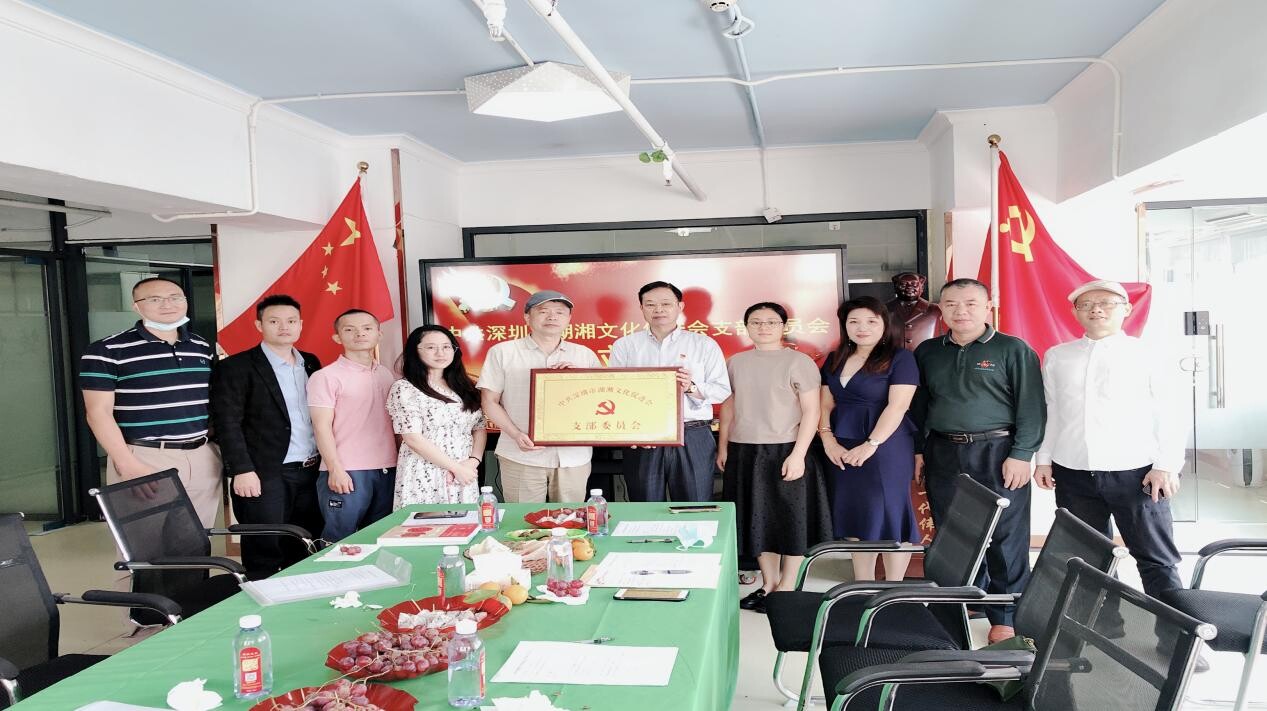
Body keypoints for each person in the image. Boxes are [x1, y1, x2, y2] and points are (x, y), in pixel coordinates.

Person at [1035, 280, 1186, 609]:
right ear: (1075, 312)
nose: (1096, 310)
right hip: (1073, 470)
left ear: (1126, 309)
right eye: (1086, 305)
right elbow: (1053, 410)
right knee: (1085, 558)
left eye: (1106, 303)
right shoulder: (1058, 356)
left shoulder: (1147, 354)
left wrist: (1166, 465)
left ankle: (1175, 633)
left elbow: (1172, 412)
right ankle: (1102, 627)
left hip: (1137, 472)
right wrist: (1043, 459)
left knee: (1156, 557)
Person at [911, 278, 1045, 644]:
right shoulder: (928, 351)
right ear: (941, 309)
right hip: (942, 451)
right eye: (951, 304)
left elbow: (1032, 407)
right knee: (953, 531)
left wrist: (1021, 455)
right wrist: (919, 450)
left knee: (1005, 534)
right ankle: (967, 598)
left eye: (971, 303)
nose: (961, 311)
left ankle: (1006, 614)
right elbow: (920, 406)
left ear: (988, 306)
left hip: (998, 451)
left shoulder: (1012, 349)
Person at [80, 277, 221, 528]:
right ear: (136, 306)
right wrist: (127, 463)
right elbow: (98, 413)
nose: (168, 304)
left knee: (199, 540)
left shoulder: (200, 346)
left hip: (202, 455)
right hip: (145, 457)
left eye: (175, 297)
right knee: (146, 543)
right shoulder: (107, 350)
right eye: (155, 299)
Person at [719, 302, 832, 613]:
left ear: (783, 326)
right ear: (746, 327)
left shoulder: (799, 361)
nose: (763, 327)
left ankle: (787, 586)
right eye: (756, 322)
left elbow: (812, 411)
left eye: (771, 322)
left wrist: (799, 455)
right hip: (745, 450)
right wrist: (724, 446)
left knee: (791, 519)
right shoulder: (735, 363)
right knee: (758, 520)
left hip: (787, 449)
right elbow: (728, 406)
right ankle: (768, 584)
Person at [210, 294, 323, 576]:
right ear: (259, 325)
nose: (284, 327)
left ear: (300, 325)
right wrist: (242, 470)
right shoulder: (235, 367)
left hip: (310, 470)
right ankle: (260, 600)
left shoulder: (310, 363)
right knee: (264, 548)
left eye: (291, 321)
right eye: (274, 321)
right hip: (264, 473)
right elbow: (227, 423)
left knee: (305, 544)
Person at [819, 296, 921, 582]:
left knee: (890, 514)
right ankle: (862, 584)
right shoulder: (835, 358)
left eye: (870, 321)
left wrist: (871, 444)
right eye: (854, 321)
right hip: (841, 444)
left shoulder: (901, 358)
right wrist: (828, 440)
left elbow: (898, 406)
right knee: (856, 513)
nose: (861, 328)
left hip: (886, 446)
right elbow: (824, 403)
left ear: (884, 324)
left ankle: (894, 587)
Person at [610, 281, 731, 502]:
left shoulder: (703, 344)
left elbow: (722, 390)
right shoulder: (625, 346)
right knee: (644, 506)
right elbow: (615, 393)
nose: (658, 309)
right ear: (641, 308)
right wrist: (630, 431)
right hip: (643, 436)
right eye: (650, 304)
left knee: (694, 505)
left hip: (692, 434)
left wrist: (691, 387)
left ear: (680, 307)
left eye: (666, 303)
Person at [478, 290, 601, 503]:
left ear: (569, 319)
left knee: (570, 518)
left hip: (573, 457)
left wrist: (577, 379)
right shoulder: (503, 352)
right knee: (521, 519)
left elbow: (598, 403)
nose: (552, 317)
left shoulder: (584, 355)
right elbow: (489, 402)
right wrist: (516, 434)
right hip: (521, 454)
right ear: (527, 317)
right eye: (543, 311)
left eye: (560, 312)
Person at [306, 309, 397, 541]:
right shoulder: (325, 377)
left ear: (379, 334)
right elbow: (321, 427)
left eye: (367, 328)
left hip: (388, 467)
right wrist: (335, 469)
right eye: (349, 329)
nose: (360, 334)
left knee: (381, 538)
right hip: (348, 470)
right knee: (339, 540)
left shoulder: (386, 374)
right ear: (337, 337)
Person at [388, 325, 487, 506]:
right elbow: (412, 438)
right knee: (427, 522)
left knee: (465, 521)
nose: (440, 353)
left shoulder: (465, 386)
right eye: (431, 347)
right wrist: (455, 468)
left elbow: (479, 428)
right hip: (425, 472)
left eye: (446, 347)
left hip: (465, 472)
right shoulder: (405, 388)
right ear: (415, 351)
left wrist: (473, 462)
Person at [885, 271, 942, 350]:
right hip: (893, 355)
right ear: (895, 287)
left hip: (927, 355)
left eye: (914, 284)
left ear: (921, 287)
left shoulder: (935, 309)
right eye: (903, 284)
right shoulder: (885, 309)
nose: (909, 287)